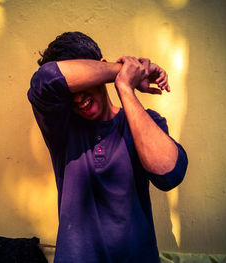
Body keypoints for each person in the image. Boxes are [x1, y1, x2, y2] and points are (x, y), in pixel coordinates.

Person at [28, 32, 188, 263]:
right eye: (70, 90)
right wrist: (122, 70)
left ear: (99, 68)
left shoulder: (145, 121)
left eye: (85, 85)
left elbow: (169, 175)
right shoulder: (62, 128)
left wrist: (125, 87)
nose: (76, 97)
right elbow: (46, 79)